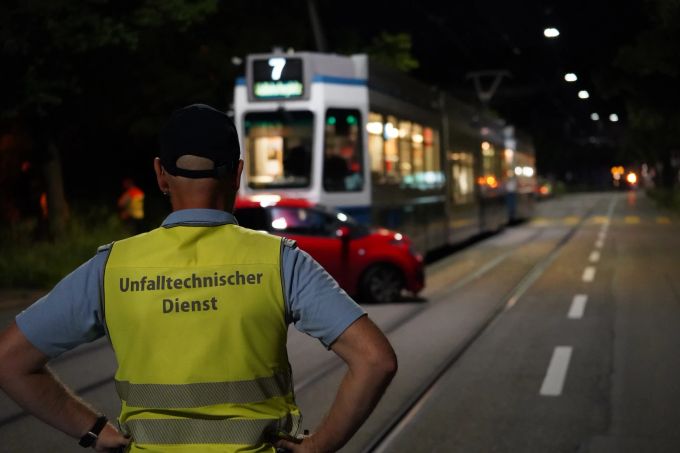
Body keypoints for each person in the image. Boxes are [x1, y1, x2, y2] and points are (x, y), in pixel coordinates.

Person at [0, 104, 397, 453]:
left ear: (160, 174)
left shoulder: (112, 267)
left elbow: (9, 361)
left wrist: (92, 431)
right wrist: (318, 447)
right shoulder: (281, 262)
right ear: (237, 173)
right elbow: (376, 360)